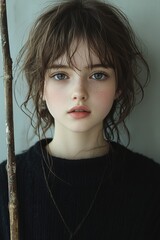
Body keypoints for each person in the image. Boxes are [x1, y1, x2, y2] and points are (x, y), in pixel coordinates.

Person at [0, 0, 160, 239]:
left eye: (98, 74)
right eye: (60, 74)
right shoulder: (6, 185)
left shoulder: (151, 185)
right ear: (40, 86)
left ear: (118, 86)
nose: (79, 92)